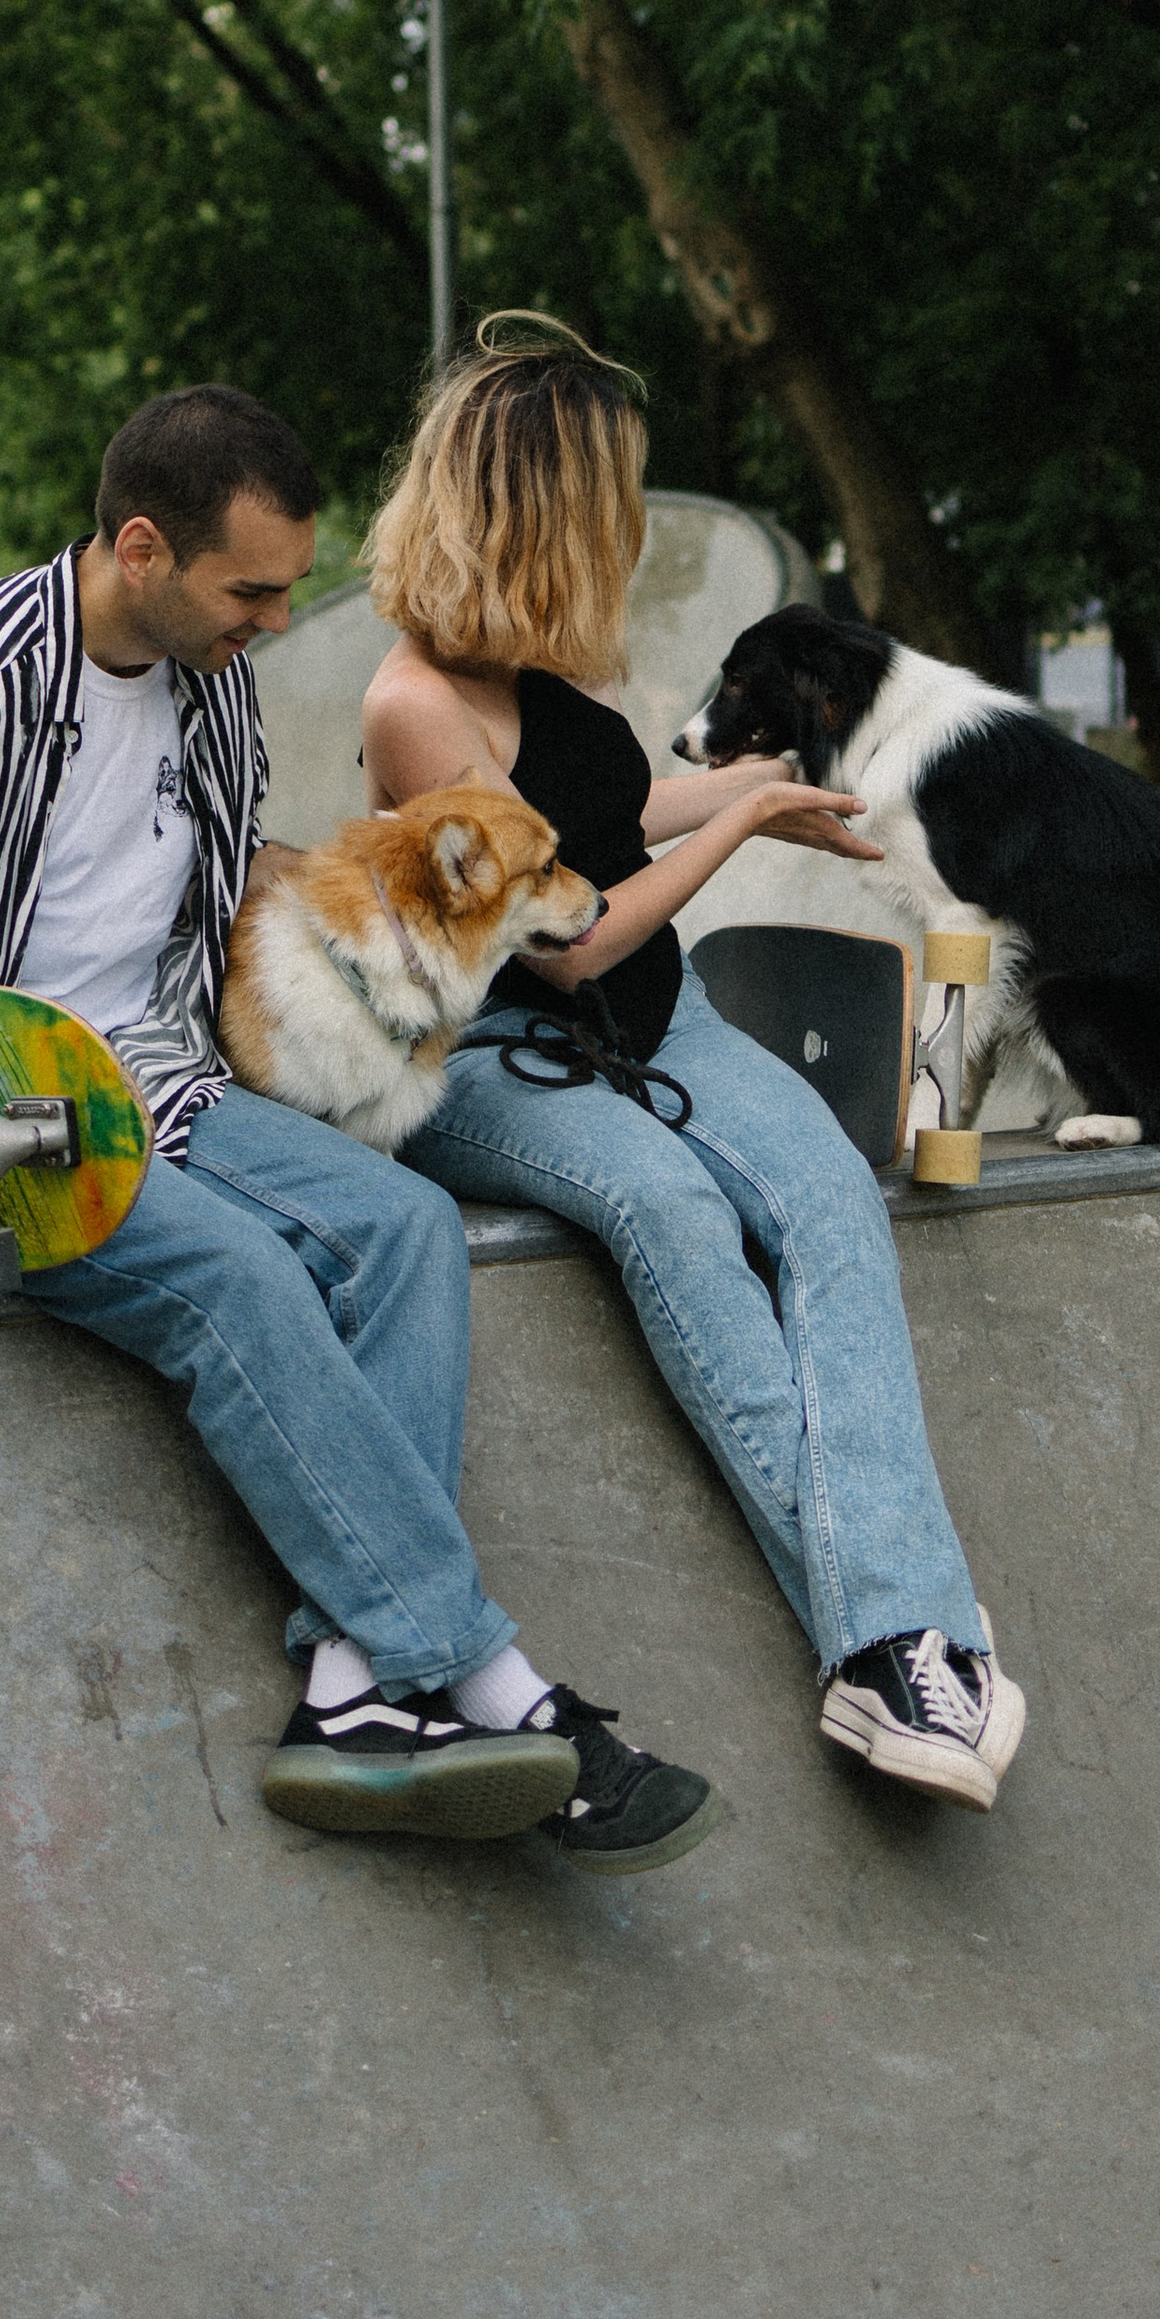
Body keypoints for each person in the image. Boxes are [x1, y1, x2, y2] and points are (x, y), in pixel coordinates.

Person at [0, 381, 719, 1875]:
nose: (273, 619)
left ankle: (349, 1689)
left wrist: (366, 925)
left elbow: (205, 883)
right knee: (243, 1284)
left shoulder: (209, 681)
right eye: (249, 590)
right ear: (141, 547)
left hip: (165, 1083)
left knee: (400, 1230)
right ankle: (500, 1687)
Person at [362, 318, 1027, 1812]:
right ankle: (904, 1632)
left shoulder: (532, 660)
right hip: (498, 1061)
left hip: (668, 1028)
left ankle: (888, 1646)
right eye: (618, 500)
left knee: (831, 1206)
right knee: (673, 1216)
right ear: (544, 506)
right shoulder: (412, 707)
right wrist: (737, 835)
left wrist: (727, 789)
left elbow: (602, 809)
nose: (634, 530)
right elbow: (567, 942)